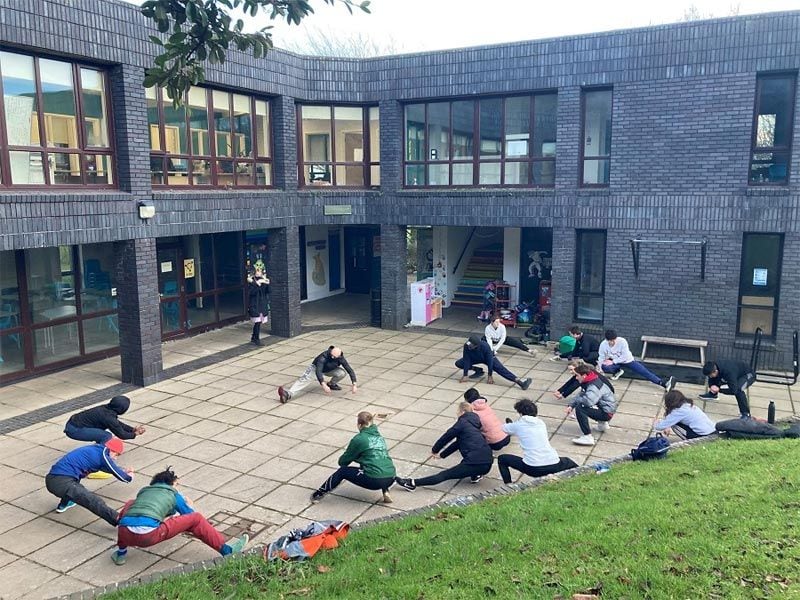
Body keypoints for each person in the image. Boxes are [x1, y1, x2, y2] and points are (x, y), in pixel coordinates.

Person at [112, 466, 248, 565]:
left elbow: (128, 517)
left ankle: (121, 555)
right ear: (171, 484)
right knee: (197, 519)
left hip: (124, 532)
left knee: (130, 512)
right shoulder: (173, 494)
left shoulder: (143, 493)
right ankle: (227, 550)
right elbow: (189, 515)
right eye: (176, 484)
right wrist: (189, 505)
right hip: (148, 535)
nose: (177, 488)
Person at [395, 402, 493, 491]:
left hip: (475, 462)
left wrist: (435, 450)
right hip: (487, 462)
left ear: (462, 412)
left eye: (457, 412)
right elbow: (457, 444)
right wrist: (442, 455)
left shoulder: (462, 423)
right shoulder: (474, 424)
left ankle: (412, 484)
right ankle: (476, 475)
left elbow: (447, 437)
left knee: (444, 475)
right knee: (471, 456)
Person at [311, 412, 396, 504]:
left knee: (342, 471)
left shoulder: (359, 439)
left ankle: (319, 494)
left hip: (375, 480)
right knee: (378, 463)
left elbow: (343, 462)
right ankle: (386, 491)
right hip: (391, 476)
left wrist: (355, 457)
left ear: (359, 425)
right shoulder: (380, 438)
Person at [44, 438, 132, 526]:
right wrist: (129, 477)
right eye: (116, 455)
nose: (115, 458)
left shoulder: (96, 450)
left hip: (55, 479)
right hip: (61, 482)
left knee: (75, 488)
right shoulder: (103, 455)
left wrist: (122, 470)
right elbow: (120, 475)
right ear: (112, 450)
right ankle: (121, 521)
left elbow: (107, 468)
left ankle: (64, 504)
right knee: (92, 500)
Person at [499, 399, 578, 483]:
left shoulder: (518, 425)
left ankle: (509, 485)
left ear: (520, 413)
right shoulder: (541, 423)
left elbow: (504, 428)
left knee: (502, 459)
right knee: (568, 462)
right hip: (554, 464)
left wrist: (511, 425)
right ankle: (584, 476)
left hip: (533, 468)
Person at [598, 329, 675, 391]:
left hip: (627, 360)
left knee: (643, 371)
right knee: (605, 366)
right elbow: (601, 357)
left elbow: (625, 356)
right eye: (610, 341)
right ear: (607, 340)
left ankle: (663, 383)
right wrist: (600, 368)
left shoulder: (622, 342)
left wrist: (613, 361)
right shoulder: (603, 345)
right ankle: (617, 371)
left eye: (614, 340)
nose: (612, 342)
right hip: (615, 362)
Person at [278, 345, 357, 403]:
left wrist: (354, 384)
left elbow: (349, 369)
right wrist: (323, 384)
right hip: (315, 368)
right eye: (332, 356)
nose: (333, 358)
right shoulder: (323, 357)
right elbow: (318, 371)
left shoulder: (340, 358)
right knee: (304, 379)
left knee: (342, 373)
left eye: (335, 357)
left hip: (329, 369)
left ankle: (332, 384)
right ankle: (288, 394)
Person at [566, 364, 618, 446]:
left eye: (577, 375)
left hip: (607, 412)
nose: (576, 378)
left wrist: (575, 405)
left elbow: (588, 401)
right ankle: (602, 424)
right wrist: (571, 405)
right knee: (583, 404)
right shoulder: (591, 380)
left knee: (581, 408)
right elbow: (582, 394)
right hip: (608, 409)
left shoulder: (593, 386)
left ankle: (587, 436)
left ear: (584, 375)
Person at [456, 336, 532, 390]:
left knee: (501, 369)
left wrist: (490, 375)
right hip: (474, 358)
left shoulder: (485, 346)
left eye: (471, 346)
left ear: (477, 345)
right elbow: (466, 359)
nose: (470, 347)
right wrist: (465, 375)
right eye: (469, 345)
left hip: (487, 358)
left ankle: (520, 383)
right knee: (459, 363)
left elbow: (490, 362)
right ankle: (478, 370)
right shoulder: (466, 346)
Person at [64, 395, 145, 444]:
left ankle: (100, 448)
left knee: (102, 434)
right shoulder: (108, 417)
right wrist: (135, 434)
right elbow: (122, 435)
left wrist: (132, 429)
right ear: (122, 409)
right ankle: (101, 454)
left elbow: (117, 424)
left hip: (72, 423)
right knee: (106, 436)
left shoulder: (106, 409)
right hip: (74, 430)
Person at [247, 266, 270, 346]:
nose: (258, 273)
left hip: (261, 305)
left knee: (259, 322)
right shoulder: (251, 282)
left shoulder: (262, 280)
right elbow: (251, 293)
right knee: (257, 322)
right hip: (255, 305)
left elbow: (267, 291)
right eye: (257, 271)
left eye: (260, 271)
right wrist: (257, 284)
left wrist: (267, 284)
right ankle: (256, 338)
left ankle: (254, 337)